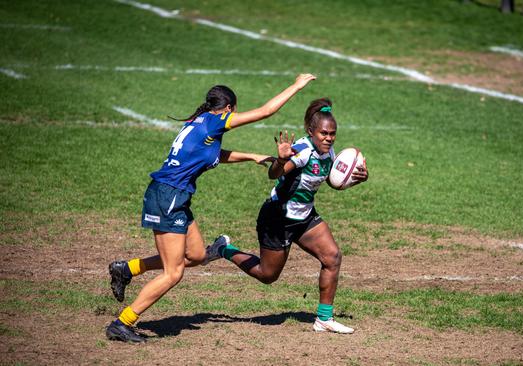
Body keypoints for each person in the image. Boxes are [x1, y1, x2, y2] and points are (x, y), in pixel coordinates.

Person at [105, 73, 316, 343]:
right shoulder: (217, 121)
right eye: (234, 111)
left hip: (174, 196)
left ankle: (127, 269)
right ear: (228, 109)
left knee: (194, 255)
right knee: (174, 273)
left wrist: (250, 156)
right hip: (168, 196)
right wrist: (297, 86)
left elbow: (213, 155)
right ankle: (122, 323)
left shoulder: (200, 122)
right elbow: (265, 111)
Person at [205, 98, 368, 334]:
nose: (329, 138)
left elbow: (330, 180)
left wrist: (355, 178)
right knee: (267, 275)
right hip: (278, 218)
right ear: (311, 132)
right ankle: (223, 249)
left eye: (332, 133)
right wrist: (281, 159)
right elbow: (274, 174)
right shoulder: (302, 151)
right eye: (323, 133)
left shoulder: (329, 152)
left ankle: (324, 318)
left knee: (332, 258)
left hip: (304, 217)